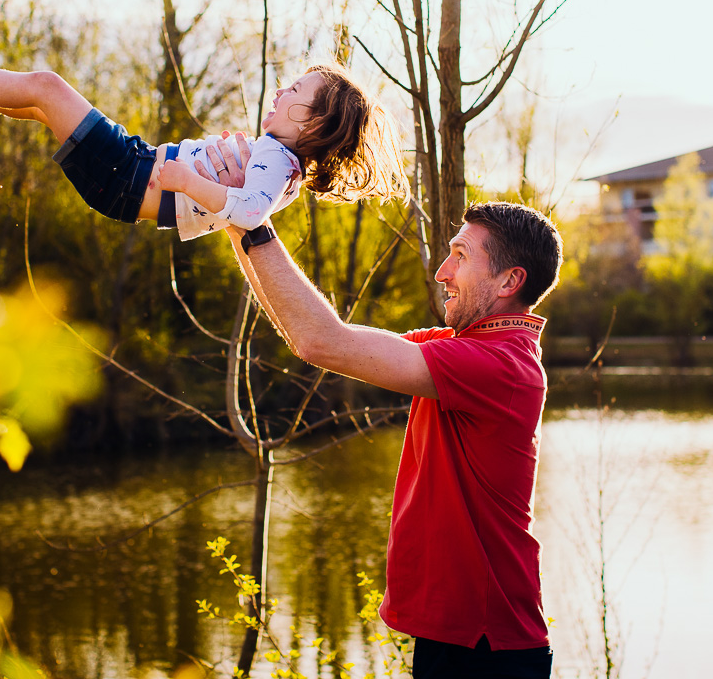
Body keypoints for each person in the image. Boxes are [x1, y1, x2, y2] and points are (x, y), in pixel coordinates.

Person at [205, 135, 561, 679]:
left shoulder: (498, 367)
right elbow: (315, 339)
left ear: (511, 281)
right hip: (463, 639)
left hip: (488, 648)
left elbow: (323, 342)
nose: (443, 271)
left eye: (461, 256)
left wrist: (251, 219)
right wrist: (235, 217)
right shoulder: (465, 349)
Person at [0, 7, 403, 237]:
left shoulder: (277, 160)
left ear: (312, 125)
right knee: (41, 107)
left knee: (46, 87)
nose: (280, 90)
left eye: (295, 92)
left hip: (131, 176)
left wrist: (187, 180)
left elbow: (247, 213)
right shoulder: (280, 162)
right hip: (129, 179)